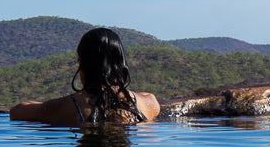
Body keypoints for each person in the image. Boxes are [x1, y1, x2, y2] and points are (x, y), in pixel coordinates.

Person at [9, 27, 161, 126]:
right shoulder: (149, 103)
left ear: (83, 63)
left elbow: (16, 111)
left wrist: (47, 105)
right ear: (121, 64)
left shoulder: (65, 107)